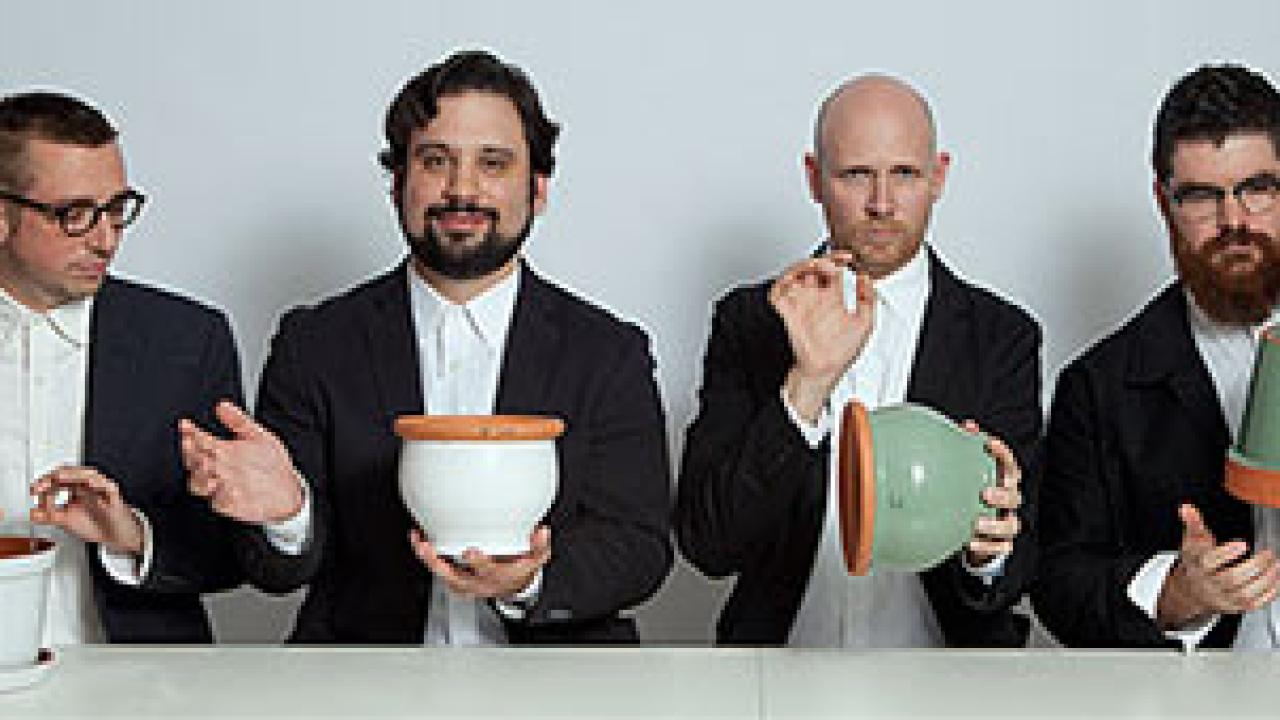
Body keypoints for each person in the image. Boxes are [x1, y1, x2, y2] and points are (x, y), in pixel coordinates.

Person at [179, 50, 673, 644]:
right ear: (397, 182)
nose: (462, 190)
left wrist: (525, 583)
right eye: (436, 161)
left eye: (493, 164)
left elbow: (640, 547)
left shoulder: (608, 352)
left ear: (538, 189)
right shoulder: (315, 343)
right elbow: (276, 570)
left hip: (556, 685)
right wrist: (289, 515)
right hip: (363, 684)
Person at [675, 74, 1040, 647]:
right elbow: (708, 542)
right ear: (814, 179)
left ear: (939, 176)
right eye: (856, 175)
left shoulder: (1001, 338)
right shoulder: (750, 322)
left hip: (948, 682)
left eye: (905, 174)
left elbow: (1023, 567)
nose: (882, 204)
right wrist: (806, 386)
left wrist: (986, 553)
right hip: (779, 675)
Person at [1033, 63, 1280, 649]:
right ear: (1163, 201)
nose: (1234, 223)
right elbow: (1062, 583)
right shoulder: (1098, 389)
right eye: (1202, 197)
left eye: (1258, 189)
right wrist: (1174, 593)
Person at [0, 91, 243, 642]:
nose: (106, 238)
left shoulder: (186, 340)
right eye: (76, 215)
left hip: (137, 687)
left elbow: (236, 553)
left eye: (116, 209)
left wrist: (131, 534)